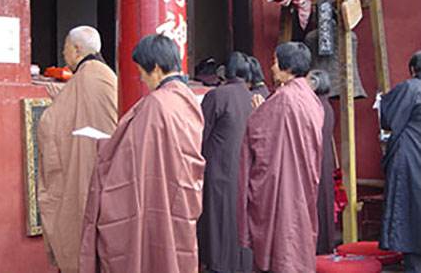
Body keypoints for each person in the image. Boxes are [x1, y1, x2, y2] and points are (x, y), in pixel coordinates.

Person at [79, 34, 206, 273]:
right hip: (180, 194)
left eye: (142, 71)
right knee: (173, 253)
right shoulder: (188, 98)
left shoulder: (156, 104)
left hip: (158, 193)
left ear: (156, 68)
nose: (143, 79)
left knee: (150, 253)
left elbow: (130, 153)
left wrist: (105, 146)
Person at [37, 26, 118, 273]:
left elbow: (49, 127)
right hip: (108, 177)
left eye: (65, 48)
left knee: (78, 226)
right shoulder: (108, 77)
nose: (63, 54)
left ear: (77, 49)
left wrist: (58, 104)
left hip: (79, 176)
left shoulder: (84, 78)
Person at [238, 42, 324, 272]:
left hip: (284, 180)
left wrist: (258, 112)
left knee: (282, 235)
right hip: (303, 180)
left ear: (288, 67)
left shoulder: (284, 98)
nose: (272, 67)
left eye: (275, 62)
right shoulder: (310, 97)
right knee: (298, 231)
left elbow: (260, 135)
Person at [197, 51, 254, 273]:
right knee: (239, 219)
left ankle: (219, 265)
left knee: (218, 219)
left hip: (219, 170)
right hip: (245, 170)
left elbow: (199, 133)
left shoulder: (218, 96)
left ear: (226, 72)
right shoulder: (254, 97)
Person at [379, 51, 421, 273]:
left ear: (413, 70)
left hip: (411, 158)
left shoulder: (410, 88)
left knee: (410, 214)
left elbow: (388, 118)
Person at [308, 70, 335, 255]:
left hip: (315, 157)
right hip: (324, 158)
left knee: (316, 202)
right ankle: (325, 244)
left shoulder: (316, 106)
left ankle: (316, 246)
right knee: (323, 200)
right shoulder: (327, 106)